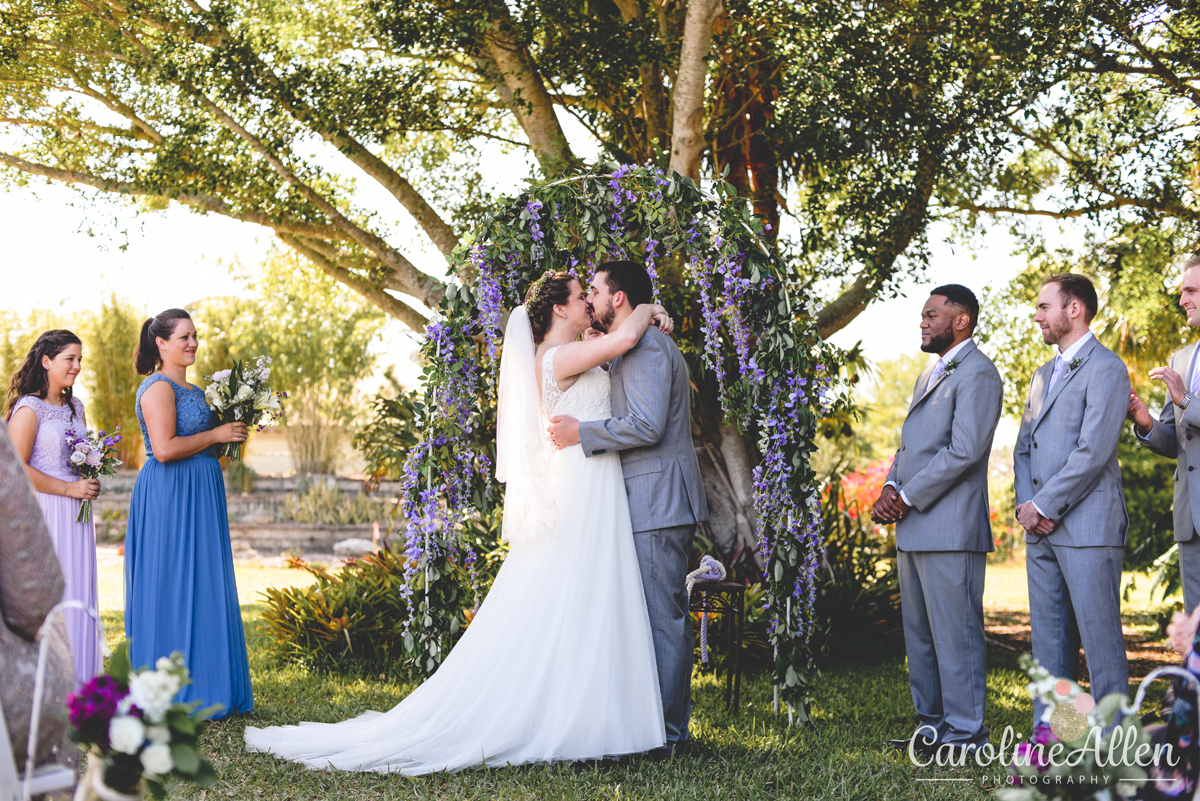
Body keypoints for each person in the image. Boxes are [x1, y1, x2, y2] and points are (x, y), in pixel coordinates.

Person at [245, 272, 677, 772]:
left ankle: (598, 715)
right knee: (577, 594)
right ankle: (575, 719)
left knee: (590, 598)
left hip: (592, 483)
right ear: (559, 310)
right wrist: (651, 309)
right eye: (581, 297)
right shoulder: (556, 358)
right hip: (582, 485)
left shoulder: (579, 348)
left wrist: (634, 323)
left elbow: (613, 351)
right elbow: (626, 337)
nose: (587, 303)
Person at [547, 260, 709, 758]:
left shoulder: (647, 347)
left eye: (594, 289)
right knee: (651, 617)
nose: (590, 298)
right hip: (645, 498)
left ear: (618, 299)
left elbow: (646, 426)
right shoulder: (631, 343)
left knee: (663, 619)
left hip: (656, 499)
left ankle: (667, 737)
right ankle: (651, 728)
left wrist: (582, 433)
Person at [870, 285, 1002, 757]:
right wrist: (889, 487)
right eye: (922, 316)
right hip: (914, 529)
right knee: (921, 637)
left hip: (951, 529)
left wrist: (905, 496)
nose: (922, 322)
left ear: (961, 320)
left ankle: (966, 735)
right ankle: (931, 728)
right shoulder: (930, 373)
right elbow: (910, 450)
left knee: (957, 636)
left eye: (931, 315)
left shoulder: (980, 374)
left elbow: (964, 451)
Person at [1013, 273, 1130, 729]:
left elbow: (1093, 452)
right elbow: (1024, 448)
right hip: (1038, 530)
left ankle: (1117, 750)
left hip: (1089, 528)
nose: (1037, 315)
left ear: (1074, 309)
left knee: (1101, 647)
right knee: (1049, 648)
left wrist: (1044, 506)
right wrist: (1028, 508)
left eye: (1044, 307)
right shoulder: (1042, 375)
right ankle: (1056, 746)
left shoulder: (1108, 368)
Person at [124, 309, 252, 717]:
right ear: (161, 344)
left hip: (201, 490)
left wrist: (233, 432)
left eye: (195, 335)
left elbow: (205, 445)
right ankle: (169, 691)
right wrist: (216, 434)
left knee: (203, 581)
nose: (193, 342)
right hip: (170, 493)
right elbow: (163, 449)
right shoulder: (157, 387)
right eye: (184, 337)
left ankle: (209, 682)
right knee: (172, 583)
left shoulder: (198, 390)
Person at [5, 329, 102, 687]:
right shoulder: (29, 408)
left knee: (79, 592)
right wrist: (68, 487)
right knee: (54, 598)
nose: (77, 366)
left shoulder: (77, 408)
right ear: (46, 362)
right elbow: (18, 468)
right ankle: (51, 689)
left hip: (77, 516)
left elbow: (80, 456)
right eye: (70, 359)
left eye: (80, 359)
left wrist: (90, 475)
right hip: (45, 514)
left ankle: (84, 685)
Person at [1129, 255, 1200, 614]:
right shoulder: (1181, 358)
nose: (1182, 300)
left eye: (1191, 291)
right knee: (1196, 632)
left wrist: (1186, 399)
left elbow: (1186, 405)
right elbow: (1175, 442)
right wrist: (1145, 423)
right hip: (1191, 520)